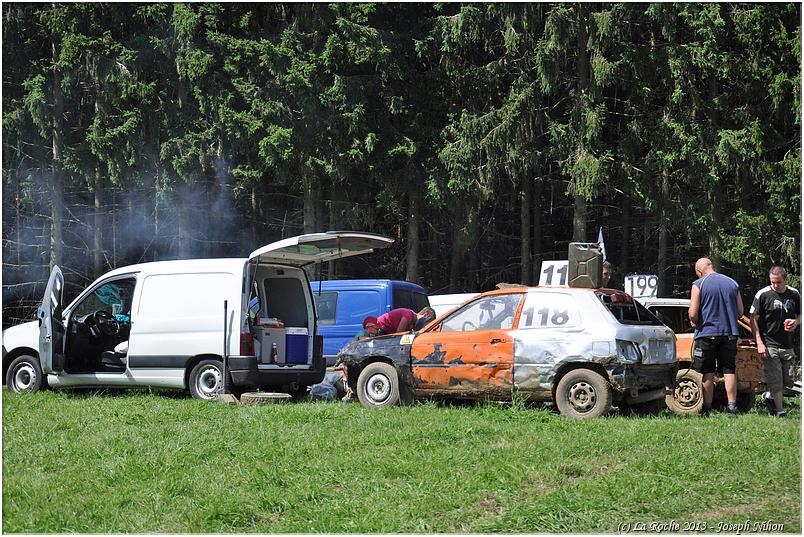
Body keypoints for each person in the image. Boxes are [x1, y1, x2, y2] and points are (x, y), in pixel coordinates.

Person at [688, 257, 744, 416]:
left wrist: (694, 321)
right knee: (729, 371)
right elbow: (740, 312)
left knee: (708, 372)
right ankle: (732, 407)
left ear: (699, 271)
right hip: (730, 333)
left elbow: (693, 313)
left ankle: (707, 408)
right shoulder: (732, 283)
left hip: (707, 334)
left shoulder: (699, 284)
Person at [749, 266, 800, 417]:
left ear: (786, 280)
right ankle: (780, 411)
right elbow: (753, 318)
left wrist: (796, 322)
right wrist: (759, 342)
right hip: (769, 344)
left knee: (789, 379)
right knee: (775, 379)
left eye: (778, 282)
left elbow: (801, 315)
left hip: (787, 345)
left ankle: (769, 395)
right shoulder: (763, 294)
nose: (775, 285)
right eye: (772, 282)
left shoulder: (794, 294)